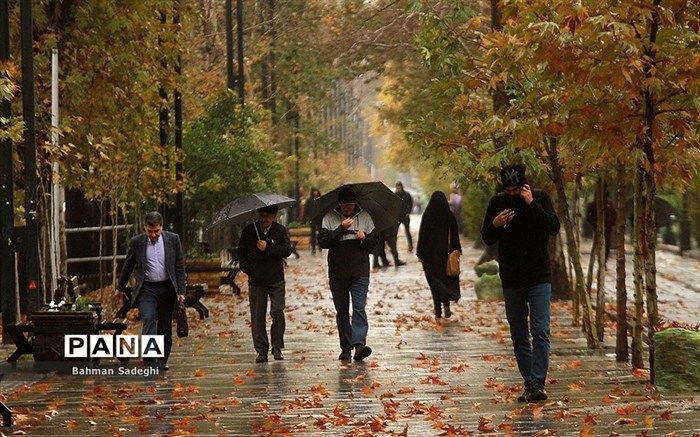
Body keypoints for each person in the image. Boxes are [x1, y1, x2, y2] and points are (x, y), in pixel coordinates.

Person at [481, 164, 560, 402]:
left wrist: (531, 204)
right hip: (512, 278)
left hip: (538, 276)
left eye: (517, 189)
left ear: (525, 184)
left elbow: (553, 227)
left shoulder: (540, 198)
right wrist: (495, 224)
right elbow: (487, 236)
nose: (513, 194)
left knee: (541, 330)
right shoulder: (497, 203)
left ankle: (538, 381)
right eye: (509, 190)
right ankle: (529, 380)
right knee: (518, 333)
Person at [117, 211, 186, 371]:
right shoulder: (137, 242)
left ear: (162, 227)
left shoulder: (172, 239)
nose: (153, 234)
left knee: (164, 326)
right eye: (150, 231)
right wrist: (120, 288)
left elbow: (179, 266)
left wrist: (181, 291)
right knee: (148, 318)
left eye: (156, 231)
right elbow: (128, 265)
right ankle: (149, 359)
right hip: (146, 288)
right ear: (145, 228)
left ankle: (162, 361)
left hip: (167, 288)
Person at [319, 186, 378, 361]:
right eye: (345, 206)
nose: (348, 209)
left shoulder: (365, 217)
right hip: (338, 272)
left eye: (350, 206)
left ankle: (359, 344)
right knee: (342, 311)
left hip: (360, 271)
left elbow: (375, 244)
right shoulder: (329, 218)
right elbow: (323, 241)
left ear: (355, 204)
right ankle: (346, 347)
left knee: (359, 307)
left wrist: (365, 238)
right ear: (339, 204)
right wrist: (340, 229)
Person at [238, 205, 293, 363]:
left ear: (274, 216)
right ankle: (261, 350)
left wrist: (268, 247)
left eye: (268, 216)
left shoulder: (280, 230)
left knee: (277, 311)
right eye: (262, 215)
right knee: (257, 316)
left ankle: (277, 346)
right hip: (256, 279)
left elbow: (287, 250)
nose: (264, 219)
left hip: (275, 278)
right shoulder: (250, 231)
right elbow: (241, 252)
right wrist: (248, 268)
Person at [416, 191, 461, 319]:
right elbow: (455, 235)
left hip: (429, 256)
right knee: (444, 281)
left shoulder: (428, 215)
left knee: (434, 283)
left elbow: (422, 235)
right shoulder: (449, 215)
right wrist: (457, 250)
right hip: (445, 255)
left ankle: (438, 310)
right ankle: (446, 304)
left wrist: (420, 252)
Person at [586, 190, 616, 262]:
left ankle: (604, 261)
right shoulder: (593, 204)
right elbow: (588, 217)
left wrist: (611, 223)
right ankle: (600, 260)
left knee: (607, 245)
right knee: (598, 244)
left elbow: (614, 214)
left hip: (608, 228)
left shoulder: (610, 203)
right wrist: (595, 224)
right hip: (597, 228)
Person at [394, 182, 414, 252]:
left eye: (399, 188)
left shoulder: (407, 194)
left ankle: (410, 245)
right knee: (394, 232)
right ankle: (394, 247)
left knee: (407, 231)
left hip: (405, 215)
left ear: (402, 187)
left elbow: (411, 204)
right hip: (397, 216)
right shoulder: (394, 195)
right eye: (397, 188)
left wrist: (408, 212)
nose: (398, 189)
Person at [305, 187, 322, 255]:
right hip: (312, 218)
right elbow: (306, 210)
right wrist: (304, 219)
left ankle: (320, 246)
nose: (315, 193)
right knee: (313, 233)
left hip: (320, 218)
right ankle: (313, 248)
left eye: (316, 191)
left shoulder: (321, 200)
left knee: (320, 232)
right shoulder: (309, 201)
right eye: (314, 191)